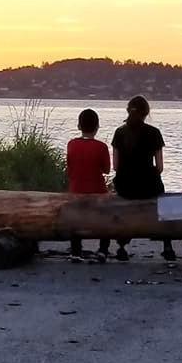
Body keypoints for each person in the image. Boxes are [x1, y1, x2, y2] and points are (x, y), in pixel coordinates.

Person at [111, 95, 176, 262]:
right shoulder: (154, 133)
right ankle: (167, 246)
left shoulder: (119, 132)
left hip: (125, 186)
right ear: (146, 113)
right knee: (164, 204)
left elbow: (116, 167)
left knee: (124, 205)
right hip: (149, 185)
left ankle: (122, 246)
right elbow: (160, 167)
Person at [66, 108, 111, 263]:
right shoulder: (101, 147)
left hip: (76, 190)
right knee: (106, 217)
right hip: (97, 191)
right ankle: (103, 250)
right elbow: (106, 169)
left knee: (75, 217)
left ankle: (76, 250)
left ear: (79, 126)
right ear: (97, 127)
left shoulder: (71, 144)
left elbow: (69, 167)